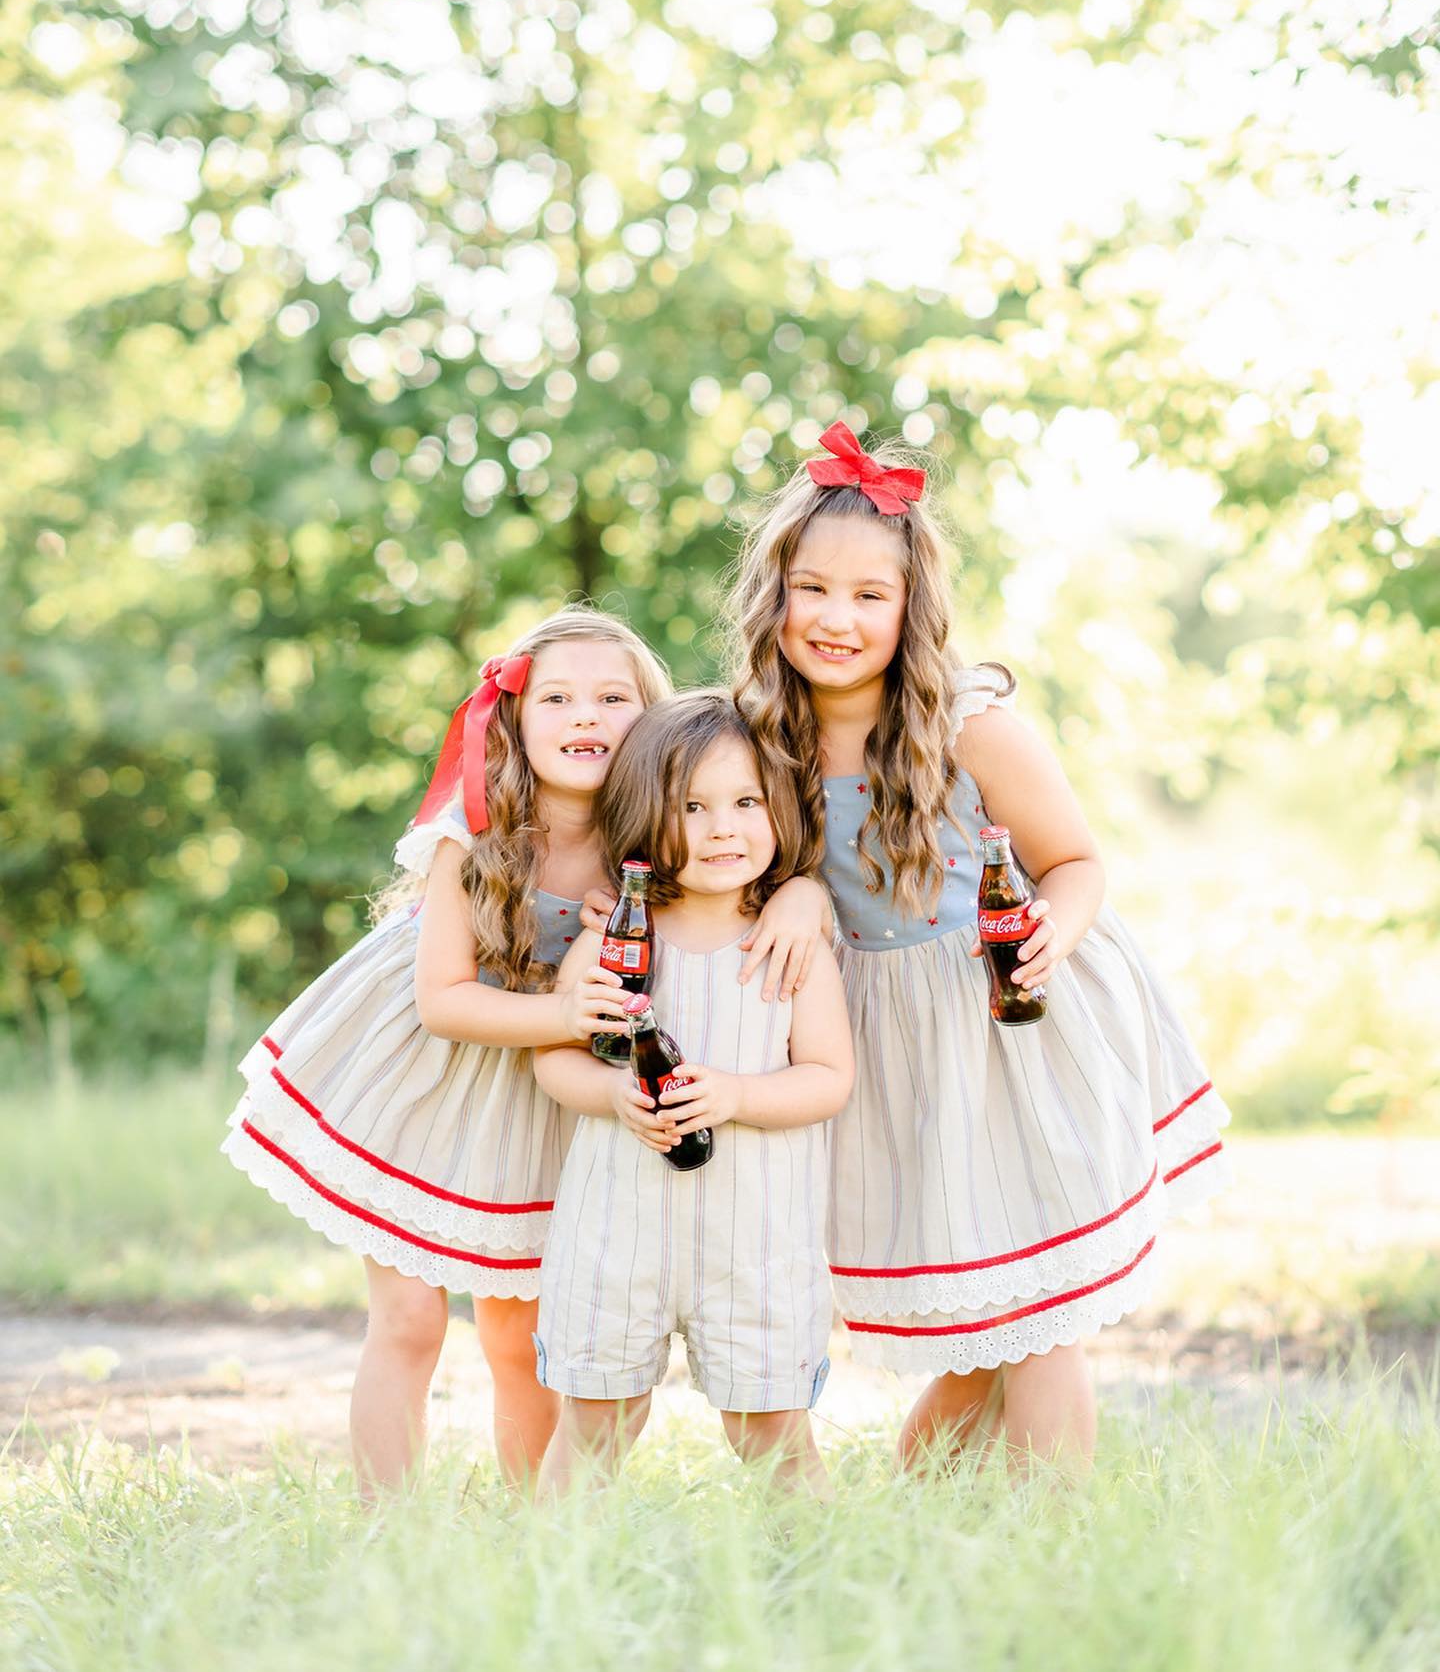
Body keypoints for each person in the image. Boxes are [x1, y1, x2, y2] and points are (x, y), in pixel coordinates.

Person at [728, 421, 1231, 1474]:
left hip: (1013, 1022)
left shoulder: (970, 724)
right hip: (890, 1049)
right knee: (984, 1316)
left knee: (1040, 1311)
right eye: (813, 588)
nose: (837, 617)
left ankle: (1062, 1549)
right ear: (773, 594)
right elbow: (716, 861)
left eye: (871, 595)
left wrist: (1055, 928)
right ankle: (920, 1515)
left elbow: (1077, 862)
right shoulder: (751, 737)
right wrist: (792, 897)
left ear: (912, 610)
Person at [223, 607, 671, 1496]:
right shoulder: (472, 833)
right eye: (559, 698)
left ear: (650, 720)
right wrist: (568, 1005)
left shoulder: (650, 844)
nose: (586, 716)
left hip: (537, 1102)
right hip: (420, 1077)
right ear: (514, 716)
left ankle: (529, 1521)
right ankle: (386, 1528)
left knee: (517, 1333)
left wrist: (609, 948)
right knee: (410, 1321)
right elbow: (444, 1002)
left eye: (614, 697)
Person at [530, 692, 855, 1499]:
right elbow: (553, 1059)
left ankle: (816, 1586)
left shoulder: (789, 940)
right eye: (693, 806)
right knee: (598, 1419)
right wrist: (611, 1091)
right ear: (648, 814)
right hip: (620, 1223)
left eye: (747, 802)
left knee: (771, 1431)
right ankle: (552, 1581)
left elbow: (828, 1077)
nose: (723, 828)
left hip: (755, 1230)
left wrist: (737, 1092)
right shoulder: (618, 935)